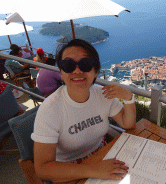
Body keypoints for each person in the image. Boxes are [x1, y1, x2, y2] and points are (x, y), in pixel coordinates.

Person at [31, 39, 136, 182]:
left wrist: (128, 98)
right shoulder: (50, 110)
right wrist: (94, 170)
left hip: (102, 155)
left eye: (85, 64)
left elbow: (127, 123)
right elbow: (43, 169)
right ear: (61, 72)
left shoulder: (103, 95)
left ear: (96, 72)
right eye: (68, 65)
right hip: (69, 168)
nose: (77, 70)